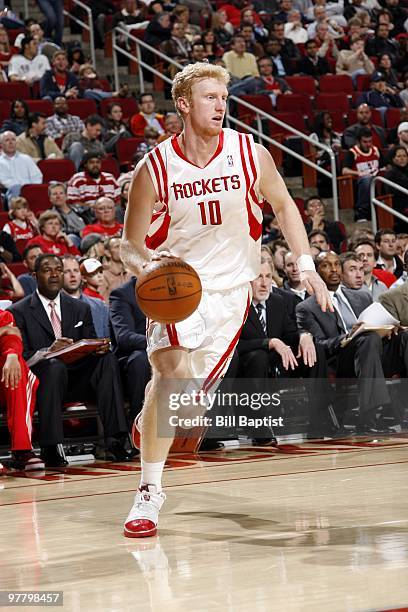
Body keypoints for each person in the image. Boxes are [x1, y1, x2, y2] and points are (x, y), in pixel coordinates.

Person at [120, 61, 330, 538]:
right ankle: (148, 494)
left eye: (223, 97)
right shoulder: (154, 167)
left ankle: (153, 418)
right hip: (177, 289)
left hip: (230, 294)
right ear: (183, 105)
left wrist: (307, 265)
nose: (221, 105)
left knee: (186, 409)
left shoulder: (249, 153)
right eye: (210, 97)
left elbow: (284, 205)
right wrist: (146, 270)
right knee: (169, 377)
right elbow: (128, 245)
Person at [9, 253, 130, 466]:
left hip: (76, 378)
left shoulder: (80, 308)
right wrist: (48, 351)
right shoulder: (18, 311)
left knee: (107, 359)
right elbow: (21, 357)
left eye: (59, 270)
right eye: (47, 270)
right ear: (34, 275)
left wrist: (97, 348)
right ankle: (51, 447)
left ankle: (116, 440)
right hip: (43, 382)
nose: (55, 274)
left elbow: (90, 340)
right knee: (54, 366)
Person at [296, 250, 408, 432]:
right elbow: (319, 345)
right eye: (326, 266)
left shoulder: (362, 296)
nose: (333, 269)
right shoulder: (306, 307)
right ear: (316, 272)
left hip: (374, 355)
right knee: (368, 338)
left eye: (336, 265)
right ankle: (369, 417)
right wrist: (348, 337)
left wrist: (391, 327)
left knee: (403, 336)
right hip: (342, 360)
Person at [237, 260, 330, 441]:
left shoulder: (277, 302)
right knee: (259, 357)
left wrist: (304, 335)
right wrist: (268, 342)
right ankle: (259, 429)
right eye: (258, 277)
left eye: (268, 277)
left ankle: (318, 422)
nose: (265, 283)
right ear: (247, 281)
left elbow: (290, 333)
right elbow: (234, 345)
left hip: (279, 359)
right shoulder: (237, 306)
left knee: (315, 350)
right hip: (249, 361)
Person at [0, 308, 42, 471]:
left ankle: (22, 450)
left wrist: (11, 355)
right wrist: (3, 330)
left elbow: (12, 337)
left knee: (19, 367)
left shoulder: (3, 315)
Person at [109, 277, 150, 424]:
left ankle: (195, 429)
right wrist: (157, 343)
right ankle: (137, 423)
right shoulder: (122, 294)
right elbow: (124, 337)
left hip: (163, 350)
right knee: (141, 359)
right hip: (133, 356)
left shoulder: (170, 289)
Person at [62, 255, 109, 338]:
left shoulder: (100, 305)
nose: (72, 275)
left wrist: (106, 345)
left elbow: (108, 338)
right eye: (67, 271)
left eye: (76, 270)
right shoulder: (53, 308)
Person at [342, 127, 384, 222]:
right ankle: (361, 212)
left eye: (370, 141)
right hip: (359, 181)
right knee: (366, 179)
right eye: (365, 142)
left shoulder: (376, 150)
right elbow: (344, 170)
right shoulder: (352, 152)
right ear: (359, 141)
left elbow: (384, 166)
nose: (368, 144)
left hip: (375, 179)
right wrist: (359, 173)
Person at [0, 131, 43, 204]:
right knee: (15, 188)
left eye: (13, 140)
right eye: (7, 140)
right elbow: (4, 181)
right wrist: (23, 188)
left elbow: (37, 177)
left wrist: (30, 189)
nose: (11, 142)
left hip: (30, 191)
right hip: (11, 193)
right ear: (1, 145)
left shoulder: (26, 158)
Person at [384, 146, 408, 233]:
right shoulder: (390, 174)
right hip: (399, 205)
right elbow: (391, 192)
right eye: (399, 156)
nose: (402, 159)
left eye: (405, 156)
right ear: (393, 158)